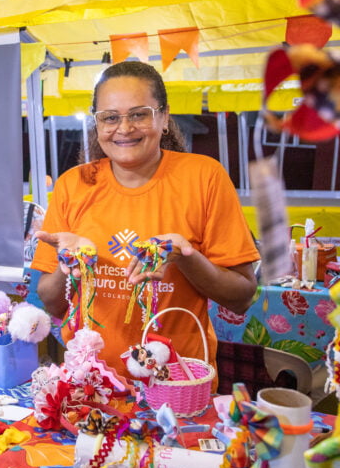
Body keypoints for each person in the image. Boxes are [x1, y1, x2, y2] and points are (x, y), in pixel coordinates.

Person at [31, 61, 260, 381]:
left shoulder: (204, 177)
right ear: (97, 124)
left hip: (176, 382)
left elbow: (241, 297)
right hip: (90, 381)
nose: (124, 128)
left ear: (164, 117)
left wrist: (186, 258)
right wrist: (68, 264)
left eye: (139, 114)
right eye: (110, 117)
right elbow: (53, 303)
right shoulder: (74, 184)